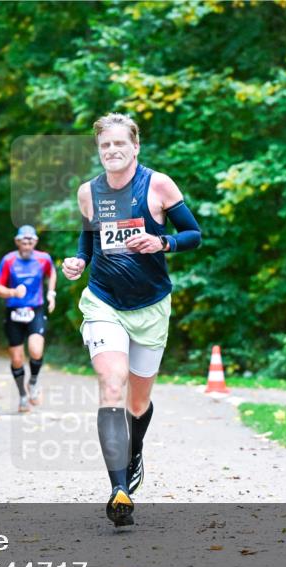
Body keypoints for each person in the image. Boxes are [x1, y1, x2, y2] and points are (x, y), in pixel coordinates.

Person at [61, 112, 201, 526]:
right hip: (103, 301)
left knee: (138, 403)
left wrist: (162, 242)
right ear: (98, 150)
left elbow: (194, 234)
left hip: (152, 306)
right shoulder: (89, 192)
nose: (112, 151)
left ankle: (134, 452)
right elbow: (88, 241)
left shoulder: (158, 184)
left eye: (120, 143)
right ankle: (118, 489)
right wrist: (77, 261)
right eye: (105, 145)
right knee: (111, 383)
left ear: (135, 146)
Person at [0, 225, 56, 413]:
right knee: (17, 359)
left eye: (31, 241)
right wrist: (12, 292)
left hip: (35, 309)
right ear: (17, 241)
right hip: (13, 311)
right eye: (23, 241)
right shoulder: (8, 260)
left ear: (35, 242)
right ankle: (22, 395)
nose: (27, 244)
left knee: (36, 350)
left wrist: (51, 293)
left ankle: (33, 382)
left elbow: (52, 273)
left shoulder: (43, 259)